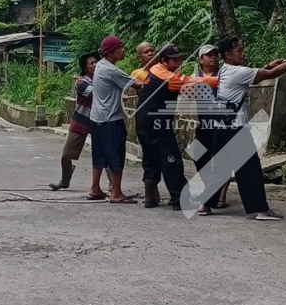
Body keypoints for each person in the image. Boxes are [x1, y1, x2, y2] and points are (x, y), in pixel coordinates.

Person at [214, 35, 286, 220]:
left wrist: (269, 65)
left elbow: (258, 73)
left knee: (220, 167)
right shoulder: (237, 72)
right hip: (236, 126)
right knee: (250, 169)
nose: (243, 53)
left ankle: (205, 205)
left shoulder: (224, 71)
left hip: (221, 126)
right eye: (239, 50)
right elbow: (270, 74)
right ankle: (261, 210)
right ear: (228, 54)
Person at [133, 43, 188, 209]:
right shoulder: (164, 75)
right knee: (171, 160)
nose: (179, 62)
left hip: (144, 122)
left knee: (151, 159)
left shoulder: (155, 71)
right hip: (156, 124)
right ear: (164, 60)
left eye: (179, 59)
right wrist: (218, 81)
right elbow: (191, 83)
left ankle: (151, 197)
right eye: (175, 60)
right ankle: (180, 199)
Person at [178, 45, 231, 215]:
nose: (213, 57)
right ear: (201, 60)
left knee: (223, 160)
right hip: (204, 122)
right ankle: (211, 188)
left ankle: (221, 196)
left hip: (222, 122)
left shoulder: (224, 74)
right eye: (208, 55)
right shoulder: (196, 77)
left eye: (215, 54)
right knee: (198, 153)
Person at [88, 36, 138, 203]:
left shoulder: (100, 66)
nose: (123, 50)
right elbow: (137, 85)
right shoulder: (112, 70)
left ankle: (95, 188)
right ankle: (116, 193)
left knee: (99, 155)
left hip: (96, 117)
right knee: (116, 155)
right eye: (119, 48)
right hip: (111, 119)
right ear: (110, 52)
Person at [49, 51, 97, 191]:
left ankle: (113, 185)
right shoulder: (82, 82)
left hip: (98, 120)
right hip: (81, 119)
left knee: (103, 154)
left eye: (96, 62)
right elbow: (97, 94)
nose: (95, 65)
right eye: (91, 63)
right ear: (85, 68)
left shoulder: (103, 79)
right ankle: (65, 179)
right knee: (67, 153)